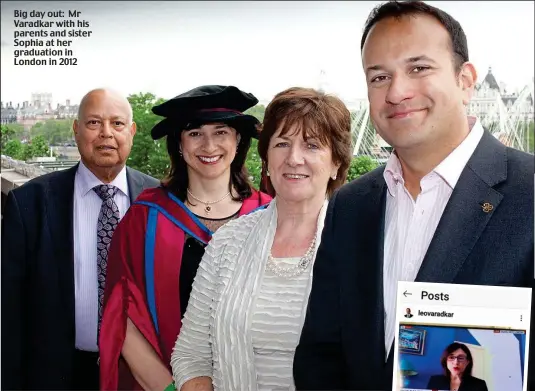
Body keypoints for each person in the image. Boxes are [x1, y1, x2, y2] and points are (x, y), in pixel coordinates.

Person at [293, 1, 534, 390]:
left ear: (465, 80)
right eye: (379, 77)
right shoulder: (351, 205)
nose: (397, 92)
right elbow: (321, 354)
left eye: (418, 68)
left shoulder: (529, 192)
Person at [170, 87, 352, 391]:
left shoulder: (359, 247)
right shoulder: (227, 243)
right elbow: (191, 355)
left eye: (311, 145)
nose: (294, 158)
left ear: (336, 163)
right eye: (282, 143)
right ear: (266, 157)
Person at [98, 85, 272, 391]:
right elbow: (120, 312)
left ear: (238, 140)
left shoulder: (269, 215)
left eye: (221, 132)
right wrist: (170, 388)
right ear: (179, 144)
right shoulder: (145, 218)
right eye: (194, 133)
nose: (209, 145)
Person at [1, 88, 159, 390]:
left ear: (133, 131)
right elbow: (9, 311)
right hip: (56, 375)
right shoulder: (30, 203)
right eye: (94, 123)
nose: (106, 134)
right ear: (76, 130)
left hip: (140, 377)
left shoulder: (159, 201)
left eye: (117, 124)